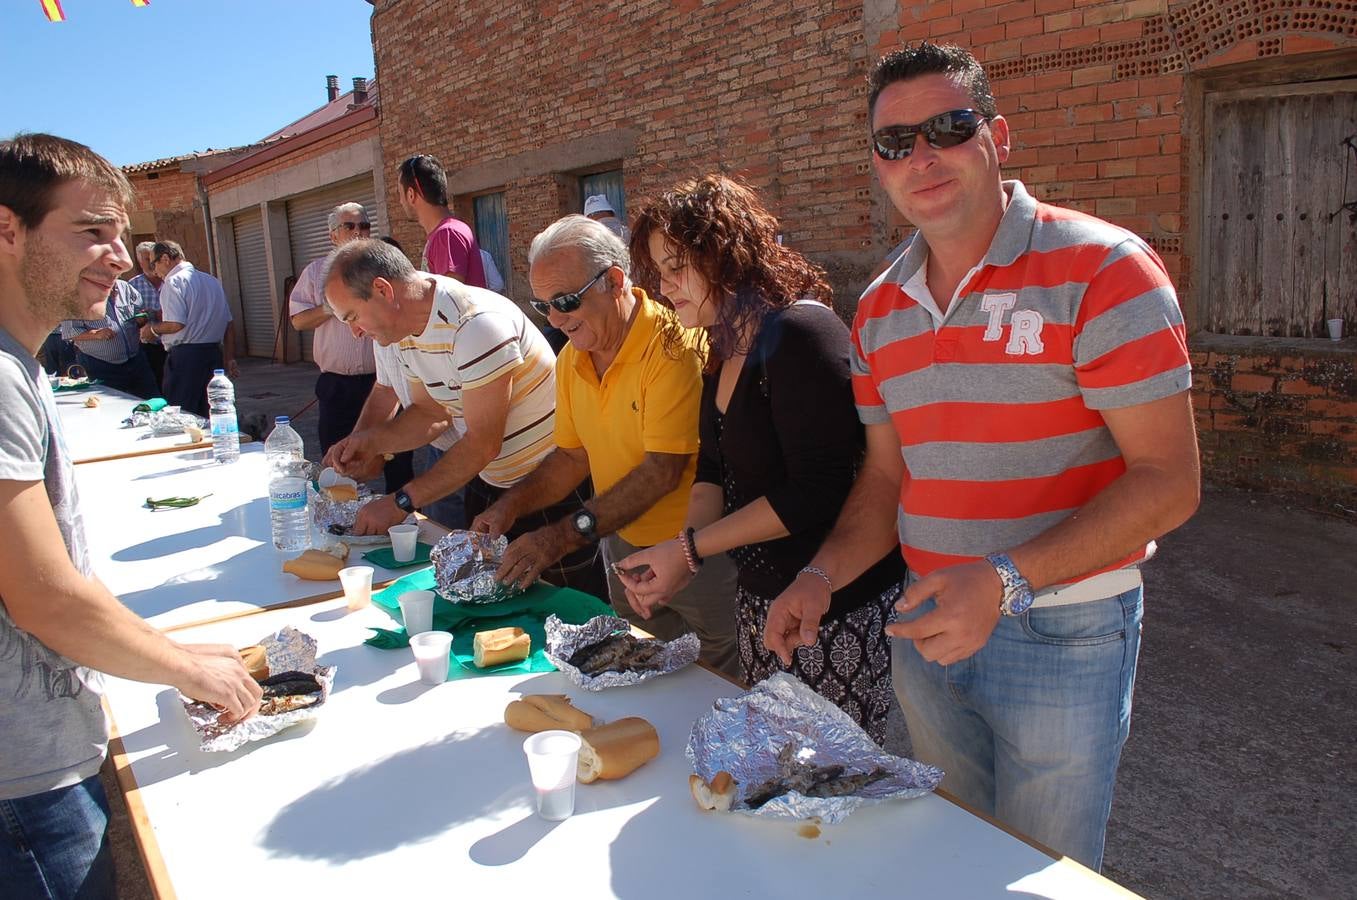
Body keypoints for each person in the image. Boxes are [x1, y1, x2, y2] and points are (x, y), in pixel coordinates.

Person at [766, 43, 1200, 869]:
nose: (921, 157)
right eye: (896, 143)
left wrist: (1001, 581)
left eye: (948, 128)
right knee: (954, 855)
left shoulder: (1102, 268)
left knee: (1043, 871)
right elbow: (887, 479)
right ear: (878, 166)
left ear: (996, 136)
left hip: (1064, 628)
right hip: (925, 623)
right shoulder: (878, 308)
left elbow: (1169, 483)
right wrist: (819, 577)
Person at [0, 132, 261, 900]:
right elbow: (43, 595)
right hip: (24, 780)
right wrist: (189, 671)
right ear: (6, 230)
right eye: (91, 231)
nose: (119, 256)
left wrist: (160, 643)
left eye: (120, 235)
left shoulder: (23, 364)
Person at [617, 177, 906, 729]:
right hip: (758, 603)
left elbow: (814, 491)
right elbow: (712, 473)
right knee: (770, 767)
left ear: (724, 256)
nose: (666, 287)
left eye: (678, 267)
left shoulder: (800, 331)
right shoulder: (720, 348)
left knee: (826, 784)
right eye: (659, 272)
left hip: (830, 607)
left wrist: (692, 550)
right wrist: (679, 554)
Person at [472, 215, 739, 676]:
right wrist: (509, 508)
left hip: (696, 555)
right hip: (623, 546)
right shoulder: (571, 359)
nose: (555, 318)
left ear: (614, 281)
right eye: (542, 306)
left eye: (566, 301)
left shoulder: (671, 346)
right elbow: (573, 457)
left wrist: (558, 537)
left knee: (719, 683)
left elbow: (662, 471)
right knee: (644, 672)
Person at [322, 239, 605, 596]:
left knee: (568, 609)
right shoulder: (405, 332)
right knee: (495, 608)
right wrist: (370, 442)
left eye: (352, 317)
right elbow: (431, 414)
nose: (355, 332)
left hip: (552, 486)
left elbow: (483, 443)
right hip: (492, 485)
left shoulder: (475, 324)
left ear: (382, 289)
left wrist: (401, 501)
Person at [287, 202, 378, 455]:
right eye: (349, 226)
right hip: (338, 386)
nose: (358, 232)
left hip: (381, 382)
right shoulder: (316, 273)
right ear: (333, 235)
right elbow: (298, 321)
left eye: (364, 225)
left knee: (396, 460)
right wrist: (334, 306)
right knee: (337, 455)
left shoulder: (382, 268)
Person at [140, 240, 237, 417]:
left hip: (186, 358)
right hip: (213, 355)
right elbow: (228, 323)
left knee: (184, 413)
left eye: (154, 264)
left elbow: (176, 323)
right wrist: (229, 357)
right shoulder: (211, 281)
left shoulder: (173, 281)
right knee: (212, 413)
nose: (155, 271)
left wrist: (152, 330)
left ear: (165, 259)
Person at [396, 154, 486, 287]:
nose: (400, 201)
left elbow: (449, 301)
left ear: (411, 194)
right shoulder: (447, 231)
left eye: (399, 194)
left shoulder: (447, 234)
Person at [58, 278, 158, 398]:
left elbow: (141, 312)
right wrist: (96, 334)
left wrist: (142, 318)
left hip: (135, 360)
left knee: (152, 401)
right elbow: (69, 332)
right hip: (100, 365)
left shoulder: (125, 287)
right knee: (112, 409)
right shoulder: (79, 296)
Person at [128, 241, 166, 390]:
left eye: (152, 258)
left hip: (174, 343)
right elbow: (130, 317)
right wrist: (148, 315)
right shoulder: (132, 286)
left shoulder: (170, 280)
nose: (151, 263)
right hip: (149, 346)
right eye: (146, 259)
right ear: (139, 261)